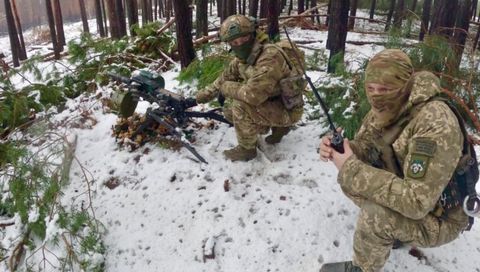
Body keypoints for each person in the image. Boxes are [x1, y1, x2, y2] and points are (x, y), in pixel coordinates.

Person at [318, 49, 470, 272]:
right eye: (371, 89)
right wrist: (343, 149)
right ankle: (394, 233)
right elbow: (367, 147)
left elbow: (417, 202)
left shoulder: (435, 122)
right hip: (412, 194)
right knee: (351, 181)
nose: (377, 96)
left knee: (375, 213)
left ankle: (363, 268)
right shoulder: (387, 107)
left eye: (385, 89)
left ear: (405, 86)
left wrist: (351, 167)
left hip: (441, 217)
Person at [195, 14, 304, 162]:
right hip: (275, 102)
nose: (239, 44)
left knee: (240, 107)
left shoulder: (269, 57)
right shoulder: (242, 59)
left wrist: (226, 88)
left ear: (253, 34)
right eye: (234, 41)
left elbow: (253, 96)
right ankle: (279, 128)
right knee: (228, 112)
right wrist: (199, 98)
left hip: (288, 109)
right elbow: (223, 79)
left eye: (244, 38)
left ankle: (247, 149)